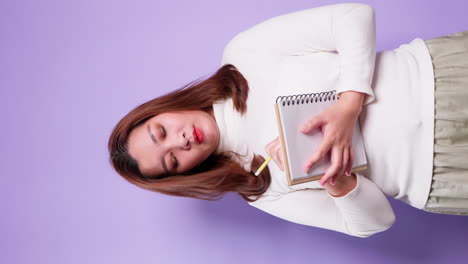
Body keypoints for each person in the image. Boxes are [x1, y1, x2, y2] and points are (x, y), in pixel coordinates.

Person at [108, 3, 468, 238]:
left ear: (163, 108)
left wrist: (348, 107)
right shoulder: (261, 189)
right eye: (172, 159)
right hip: (443, 174)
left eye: (161, 131)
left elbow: (353, 16)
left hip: (442, 77)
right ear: (184, 173)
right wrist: (338, 182)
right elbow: (372, 223)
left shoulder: (243, 55)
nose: (180, 141)